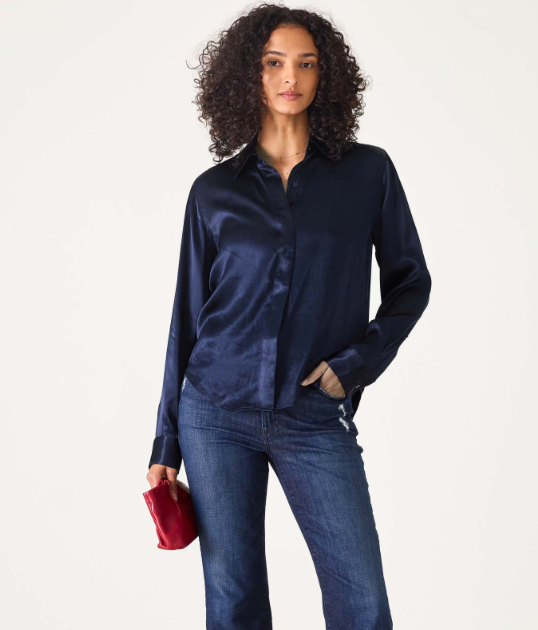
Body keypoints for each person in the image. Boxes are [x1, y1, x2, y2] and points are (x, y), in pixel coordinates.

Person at [146, 5, 431, 629]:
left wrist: (353, 366)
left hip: (313, 413)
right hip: (215, 414)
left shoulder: (368, 173)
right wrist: (166, 441)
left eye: (306, 63)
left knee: (361, 599)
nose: (289, 77)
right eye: (273, 62)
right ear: (248, 74)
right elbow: (186, 318)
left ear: (326, 76)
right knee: (233, 600)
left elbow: (411, 283)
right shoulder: (213, 191)